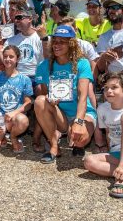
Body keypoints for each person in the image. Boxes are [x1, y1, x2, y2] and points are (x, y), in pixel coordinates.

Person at [34, 25, 96, 163]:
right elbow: (44, 96)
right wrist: (50, 100)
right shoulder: (44, 65)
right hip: (60, 113)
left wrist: (79, 122)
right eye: (54, 41)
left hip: (82, 113)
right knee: (39, 101)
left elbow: (83, 96)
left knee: (81, 140)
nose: (56, 45)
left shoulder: (82, 63)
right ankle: (54, 146)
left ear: (71, 44)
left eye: (62, 42)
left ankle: (72, 136)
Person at [0, 46, 33, 155]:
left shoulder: (24, 79)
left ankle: (13, 137)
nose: (8, 59)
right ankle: (2, 136)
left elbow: (28, 103)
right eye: (5, 56)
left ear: (17, 59)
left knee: (23, 120)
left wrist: (14, 112)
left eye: (11, 56)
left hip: (14, 119)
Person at [94, 0, 123, 80]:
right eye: (109, 8)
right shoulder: (104, 36)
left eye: (115, 7)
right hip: (114, 78)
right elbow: (100, 68)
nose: (111, 11)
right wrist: (104, 57)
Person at [2, 8, 44, 81]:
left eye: (19, 18)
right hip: (16, 77)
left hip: (36, 76)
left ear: (30, 19)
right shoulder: (10, 41)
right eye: (15, 18)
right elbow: (2, 60)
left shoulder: (41, 38)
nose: (16, 21)